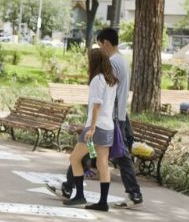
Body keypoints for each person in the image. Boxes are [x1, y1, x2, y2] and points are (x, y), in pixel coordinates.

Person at [46, 28, 143, 209]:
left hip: (107, 119)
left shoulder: (108, 67)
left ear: (105, 43)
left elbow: (98, 101)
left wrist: (90, 126)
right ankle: (100, 197)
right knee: (103, 159)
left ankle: (73, 189)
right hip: (112, 119)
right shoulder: (121, 61)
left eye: (99, 45)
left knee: (86, 156)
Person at [62, 48, 118, 212]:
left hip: (96, 127)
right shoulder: (112, 81)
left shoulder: (97, 80)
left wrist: (91, 128)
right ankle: (102, 202)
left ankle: (79, 195)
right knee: (102, 164)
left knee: (74, 158)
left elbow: (96, 106)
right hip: (108, 126)